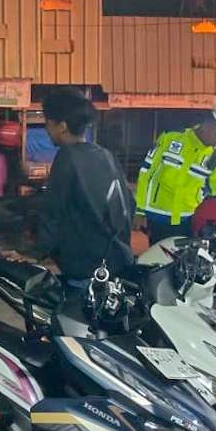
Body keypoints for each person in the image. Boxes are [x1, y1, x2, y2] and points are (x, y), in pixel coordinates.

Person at [34, 87, 134, 294]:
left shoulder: (67, 158)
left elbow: (52, 213)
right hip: (116, 262)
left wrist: (35, 254)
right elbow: (129, 204)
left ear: (62, 126)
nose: (47, 129)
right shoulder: (105, 154)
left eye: (48, 123)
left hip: (85, 270)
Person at [134, 116, 216, 244]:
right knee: (157, 254)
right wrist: (139, 210)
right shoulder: (171, 137)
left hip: (186, 219)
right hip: (157, 215)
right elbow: (146, 172)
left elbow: (214, 190)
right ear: (207, 125)